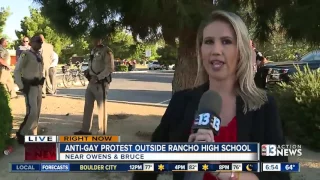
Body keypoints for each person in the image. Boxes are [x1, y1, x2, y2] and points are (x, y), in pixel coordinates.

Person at [133, 10, 289, 180]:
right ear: (200, 50)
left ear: (241, 51)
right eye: (208, 42)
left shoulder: (264, 106)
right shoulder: (181, 102)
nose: (216, 50)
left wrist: (221, 171)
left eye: (226, 41)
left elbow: (278, 175)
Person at [74, 38, 114, 135]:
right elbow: (93, 65)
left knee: (101, 108)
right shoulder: (93, 50)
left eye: (97, 37)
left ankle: (102, 132)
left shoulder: (106, 51)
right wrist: (88, 71)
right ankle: (85, 130)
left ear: (102, 39)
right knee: (88, 106)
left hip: (101, 83)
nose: (94, 40)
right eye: (93, 37)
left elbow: (110, 68)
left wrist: (98, 77)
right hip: (91, 82)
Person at [14, 35, 44, 144]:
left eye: (41, 42)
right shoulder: (25, 54)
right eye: (38, 42)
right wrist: (21, 86)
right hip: (29, 87)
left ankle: (32, 134)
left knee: (37, 113)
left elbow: (41, 71)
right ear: (31, 42)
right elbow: (17, 70)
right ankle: (22, 134)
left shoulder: (39, 55)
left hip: (38, 87)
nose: (40, 44)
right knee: (32, 112)